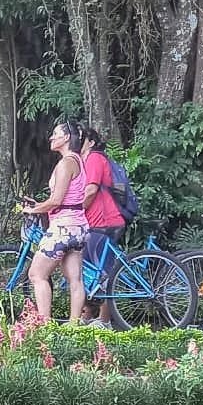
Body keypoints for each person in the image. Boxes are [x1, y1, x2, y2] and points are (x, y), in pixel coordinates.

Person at [22, 119, 88, 323]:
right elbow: (67, 199)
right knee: (75, 280)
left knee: (36, 274)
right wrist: (41, 205)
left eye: (55, 134)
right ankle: (73, 327)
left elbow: (57, 200)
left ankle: (45, 324)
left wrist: (33, 209)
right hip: (79, 227)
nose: (51, 137)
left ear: (66, 138)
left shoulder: (66, 163)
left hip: (63, 229)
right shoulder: (79, 161)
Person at [80, 124, 126, 329]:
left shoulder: (95, 158)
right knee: (88, 271)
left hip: (105, 222)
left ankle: (105, 319)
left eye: (81, 138)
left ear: (90, 142)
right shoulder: (83, 161)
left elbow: (90, 191)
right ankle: (87, 316)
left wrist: (74, 209)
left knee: (105, 272)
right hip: (93, 223)